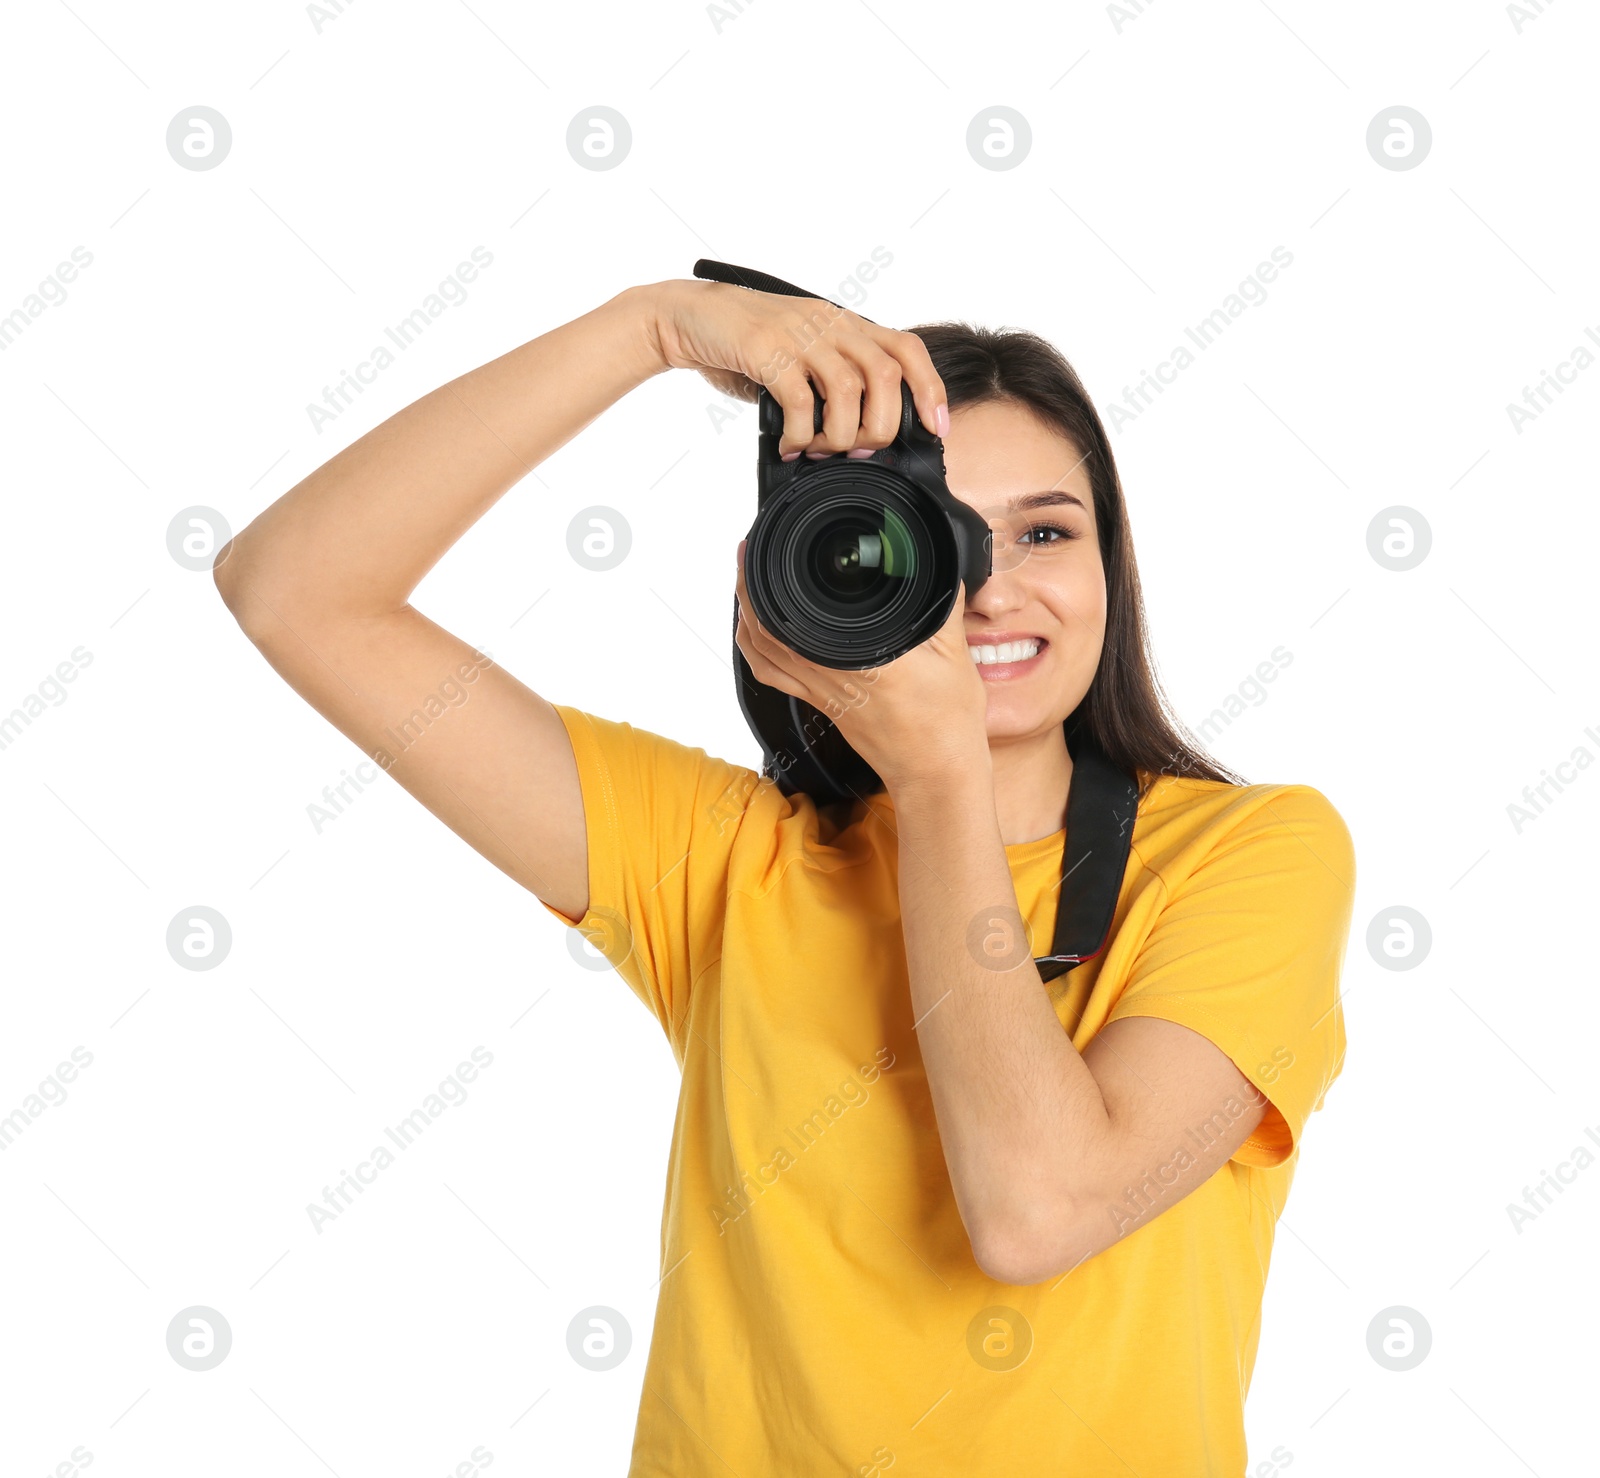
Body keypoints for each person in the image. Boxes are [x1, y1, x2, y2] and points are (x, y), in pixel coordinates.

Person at [215, 273, 1355, 1475]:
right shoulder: (726, 859)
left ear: (1110, 568)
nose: (991, 586)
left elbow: (1037, 1209)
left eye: (1044, 530)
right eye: (933, 536)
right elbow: (292, 590)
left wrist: (936, 776)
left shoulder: (1252, 853)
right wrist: (649, 327)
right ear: (819, 570)